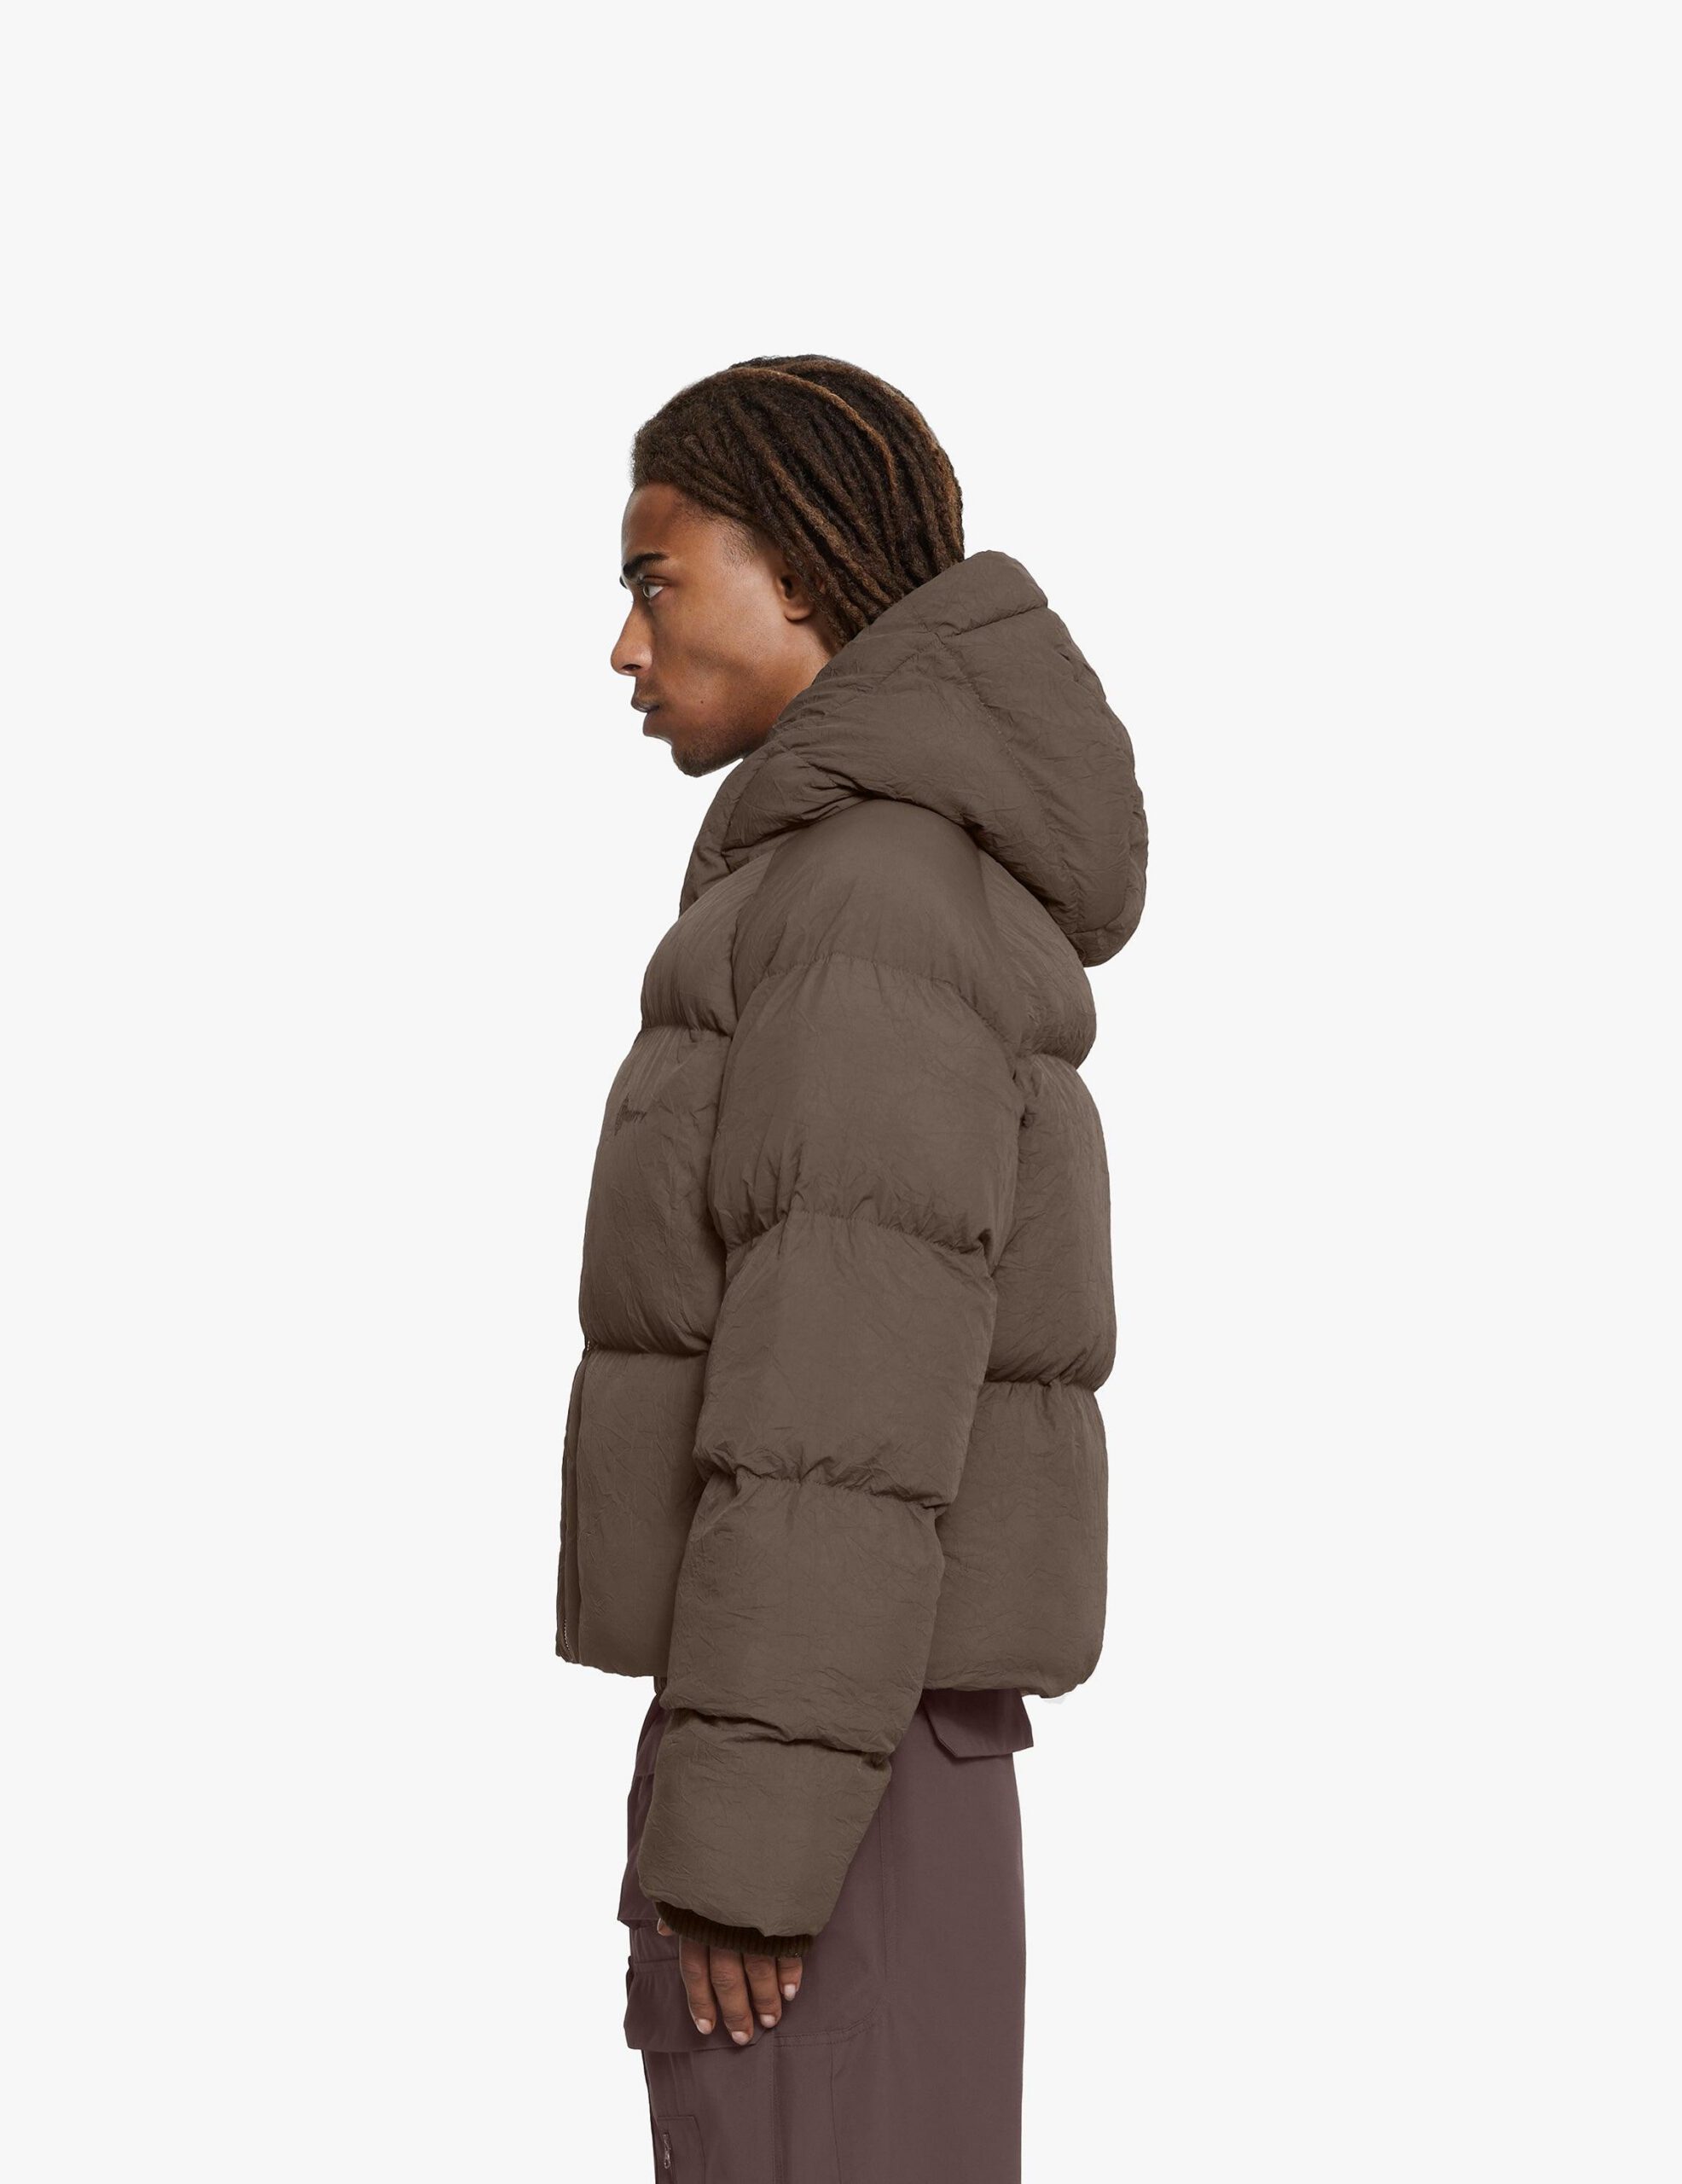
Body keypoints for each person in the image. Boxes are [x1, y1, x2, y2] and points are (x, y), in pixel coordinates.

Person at [554, 355, 1148, 2181]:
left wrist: (749, 1841)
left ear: (800, 570)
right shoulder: (859, 879)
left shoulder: (864, 900)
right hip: (831, 1739)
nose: (624, 646)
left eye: (655, 581)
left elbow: (841, 1399)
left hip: (827, 1765)